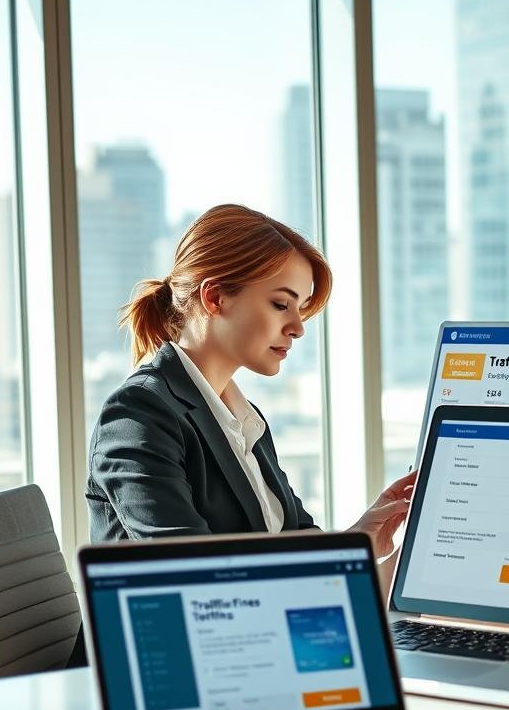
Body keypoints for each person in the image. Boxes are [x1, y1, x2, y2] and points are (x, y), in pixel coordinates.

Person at [85, 203, 415, 572]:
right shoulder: (138, 416)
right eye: (280, 304)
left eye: (301, 308)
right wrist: (387, 576)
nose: (297, 327)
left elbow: (288, 540)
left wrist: (362, 540)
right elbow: (200, 577)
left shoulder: (242, 419)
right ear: (215, 297)